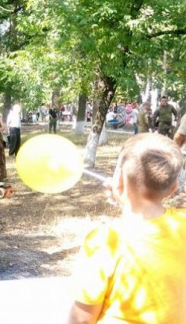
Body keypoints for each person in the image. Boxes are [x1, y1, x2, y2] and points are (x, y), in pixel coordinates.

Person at [67, 133, 186, 324]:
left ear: (119, 179)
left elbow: (82, 319)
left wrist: (127, 196)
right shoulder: (182, 223)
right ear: (173, 189)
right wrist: (126, 197)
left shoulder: (105, 241)